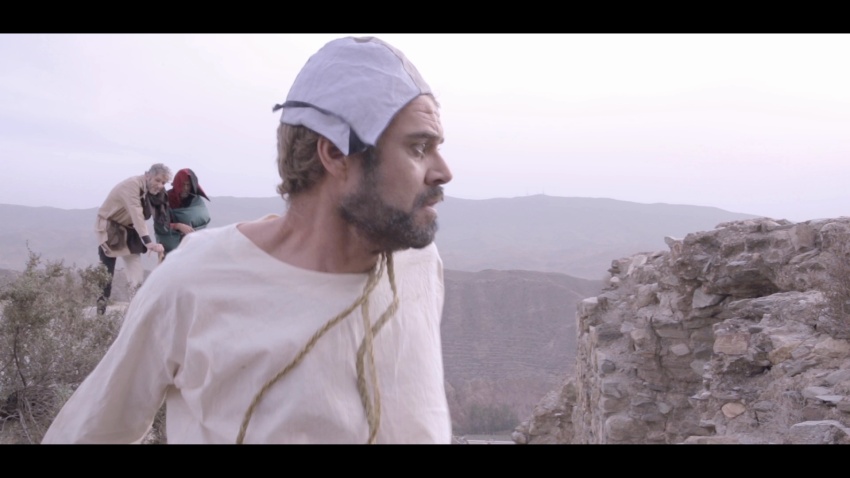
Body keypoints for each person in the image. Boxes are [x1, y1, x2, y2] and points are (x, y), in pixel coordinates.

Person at [42, 36, 454, 444]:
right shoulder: (194, 284)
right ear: (335, 154)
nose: (444, 172)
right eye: (419, 148)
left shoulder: (420, 264)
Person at [94, 164, 169, 315]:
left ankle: (136, 312)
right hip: (110, 227)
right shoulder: (131, 186)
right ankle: (100, 314)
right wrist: (148, 242)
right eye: (157, 180)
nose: (160, 185)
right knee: (106, 273)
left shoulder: (154, 191)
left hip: (129, 230)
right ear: (147, 175)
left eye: (163, 182)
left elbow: (160, 212)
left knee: (135, 271)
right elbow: (136, 213)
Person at [152, 168, 211, 257]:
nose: (186, 188)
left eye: (188, 185)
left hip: (193, 247)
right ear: (177, 184)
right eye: (183, 184)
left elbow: (203, 219)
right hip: (171, 248)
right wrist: (178, 226)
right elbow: (160, 224)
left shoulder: (196, 200)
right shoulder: (165, 199)